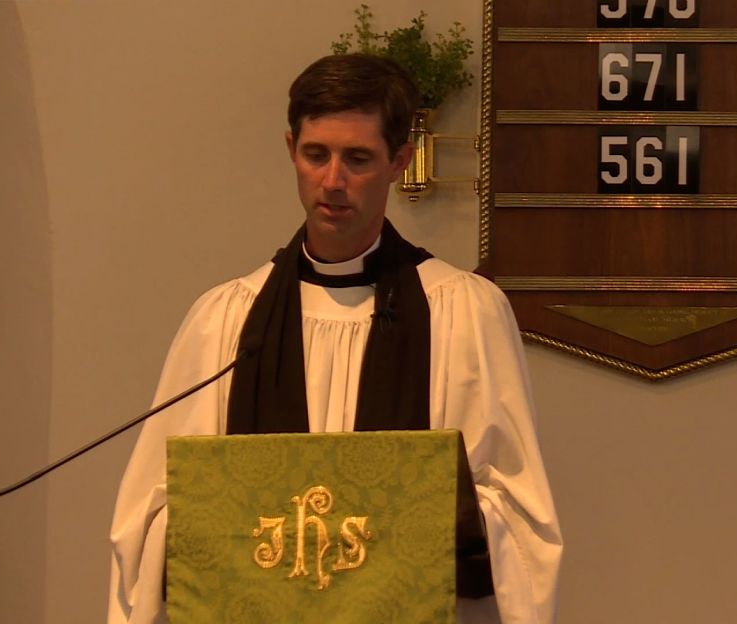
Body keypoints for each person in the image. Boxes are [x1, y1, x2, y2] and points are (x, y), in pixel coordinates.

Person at [107, 54, 562, 623]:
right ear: (290, 147)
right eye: (315, 154)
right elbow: (149, 519)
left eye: (358, 159)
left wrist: (423, 512)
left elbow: (519, 519)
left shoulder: (464, 312)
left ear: (399, 161)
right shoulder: (226, 321)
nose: (332, 181)